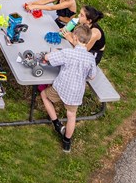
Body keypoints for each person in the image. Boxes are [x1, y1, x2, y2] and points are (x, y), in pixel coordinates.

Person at [41, 23, 97, 153]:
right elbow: (92, 76)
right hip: (76, 92)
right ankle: (67, 142)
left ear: (75, 38)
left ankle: (56, 123)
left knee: (44, 95)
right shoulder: (90, 58)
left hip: (61, 87)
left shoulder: (67, 53)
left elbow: (47, 58)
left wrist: (53, 53)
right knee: (71, 115)